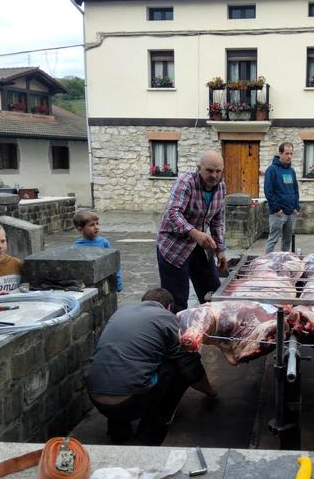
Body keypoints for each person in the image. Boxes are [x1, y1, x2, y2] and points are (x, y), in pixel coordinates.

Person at [86, 288, 217, 445]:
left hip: (95, 397)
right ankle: (149, 435)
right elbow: (190, 366)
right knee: (178, 365)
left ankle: (119, 431)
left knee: (123, 362)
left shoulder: (121, 312)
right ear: (169, 307)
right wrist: (210, 391)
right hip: (130, 402)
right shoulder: (167, 317)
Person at [157, 150, 228, 312]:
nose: (214, 175)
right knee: (177, 302)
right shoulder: (186, 182)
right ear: (199, 168)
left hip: (200, 246)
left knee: (213, 294)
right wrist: (195, 233)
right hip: (174, 247)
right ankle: (175, 334)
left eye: (218, 171)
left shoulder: (221, 187)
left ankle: (209, 332)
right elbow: (172, 213)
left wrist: (220, 249)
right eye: (209, 170)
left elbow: (217, 220)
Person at [72, 210, 124, 292]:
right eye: (92, 225)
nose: (96, 227)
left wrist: (118, 282)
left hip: (106, 281)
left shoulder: (104, 243)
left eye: (97, 223)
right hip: (89, 284)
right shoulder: (77, 247)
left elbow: (113, 263)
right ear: (81, 230)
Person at [264, 142, 300, 253]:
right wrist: (275, 208)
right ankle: (267, 264)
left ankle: (284, 264)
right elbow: (268, 191)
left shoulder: (291, 171)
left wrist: (296, 207)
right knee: (273, 240)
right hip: (278, 213)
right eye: (286, 153)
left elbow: (295, 190)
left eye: (291, 153)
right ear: (280, 153)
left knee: (287, 241)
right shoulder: (272, 170)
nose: (289, 156)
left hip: (290, 212)